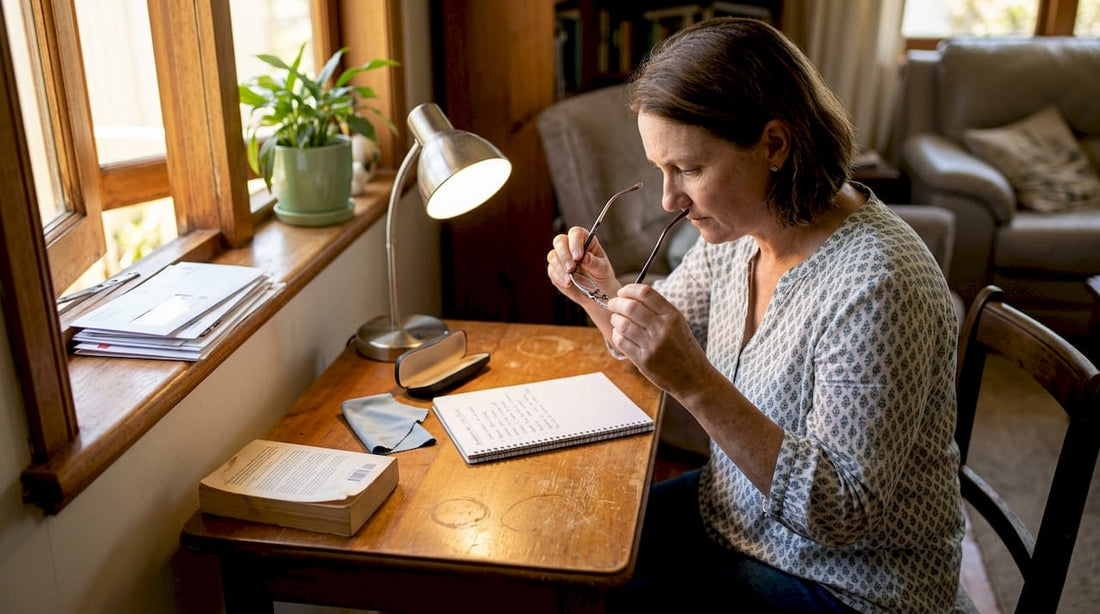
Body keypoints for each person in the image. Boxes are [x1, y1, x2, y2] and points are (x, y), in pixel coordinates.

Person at [545, 18, 964, 613]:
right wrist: (599, 289)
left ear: (774, 144)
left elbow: (840, 512)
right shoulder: (740, 235)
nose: (670, 200)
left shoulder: (880, 283)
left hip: (854, 585)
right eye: (660, 170)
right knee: (573, 552)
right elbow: (645, 338)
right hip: (740, 517)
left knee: (606, 602)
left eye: (688, 170)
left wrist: (694, 382)